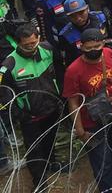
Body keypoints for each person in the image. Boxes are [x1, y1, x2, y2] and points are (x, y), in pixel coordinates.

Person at [63, 28, 112, 193]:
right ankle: (108, 188)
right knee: (101, 159)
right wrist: (80, 130)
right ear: (81, 47)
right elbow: (73, 102)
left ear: (103, 43)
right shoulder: (73, 70)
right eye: (89, 48)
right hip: (92, 122)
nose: (94, 51)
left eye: (97, 46)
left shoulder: (109, 54)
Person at [0, 22, 63, 190]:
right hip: (30, 118)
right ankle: (40, 183)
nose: (31, 47)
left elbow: (59, 68)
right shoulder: (9, 65)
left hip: (51, 109)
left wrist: (60, 96)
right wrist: (20, 115)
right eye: (26, 44)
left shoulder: (48, 49)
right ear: (18, 43)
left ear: (38, 38)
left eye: (33, 43)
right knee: (34, 151)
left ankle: (52, 162)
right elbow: (4, 96)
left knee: (50, 141)